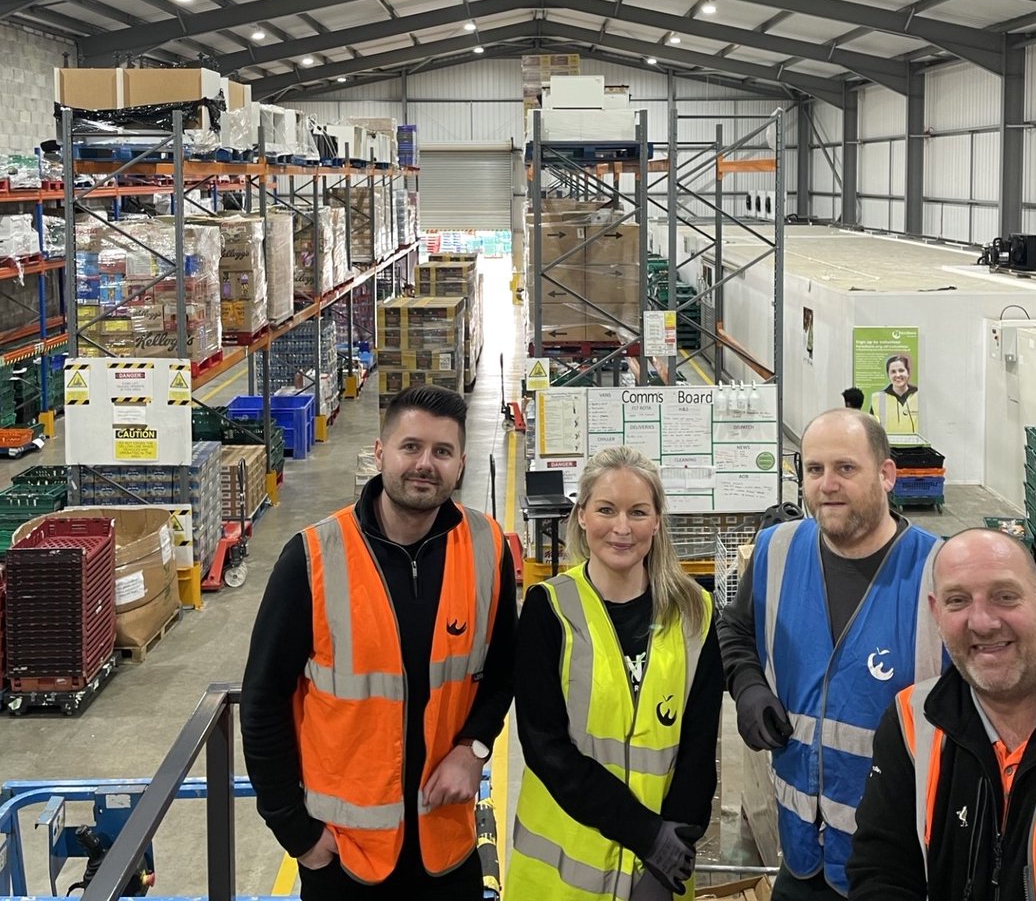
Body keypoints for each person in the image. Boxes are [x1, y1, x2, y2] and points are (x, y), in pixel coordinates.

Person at [240, 385, 518, 900]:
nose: (425, 464)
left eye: (442, 452)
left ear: (460, 464)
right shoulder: (312, 558)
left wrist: (475, 747)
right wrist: (298, 835)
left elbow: (503, 669)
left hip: (446, 847)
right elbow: (261, 703)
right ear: (380, 452)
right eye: (410, 447)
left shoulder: (487, 548)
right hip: (344, 856)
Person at [718, 409, 943, 899]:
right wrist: (749, 687)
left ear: (886, 475)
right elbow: (734, 629)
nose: (827, 485)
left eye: (846, 468)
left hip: (896, 862)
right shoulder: (775, 549)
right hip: (801, 854)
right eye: (815, 470)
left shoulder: (939, 572)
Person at [848, 528, 1036, 899]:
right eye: (958, 601)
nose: (982, 622)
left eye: (1005, 597)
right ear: (937, 614)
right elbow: (882, 871)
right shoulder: (912, 722)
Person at [507, 446, 724, 900]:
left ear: (657, 521)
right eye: (607, 509)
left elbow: (699, 752)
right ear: (582, 516)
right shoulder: (549, 611)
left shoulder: (695, 614)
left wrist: (669, 862)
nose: (622, 528)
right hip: (560, 881)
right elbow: (547, 750)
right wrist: (648, 836)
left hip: (659, 872)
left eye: (638, 512)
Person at [869, 353, 918, 435]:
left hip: (917, 447)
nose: (898, 375)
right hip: (887, 447)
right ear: (888, 375)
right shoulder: (878, 398)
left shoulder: (920, 396)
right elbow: (873, 430)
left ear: (908, 372)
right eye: (893, 372)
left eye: (901, 370)